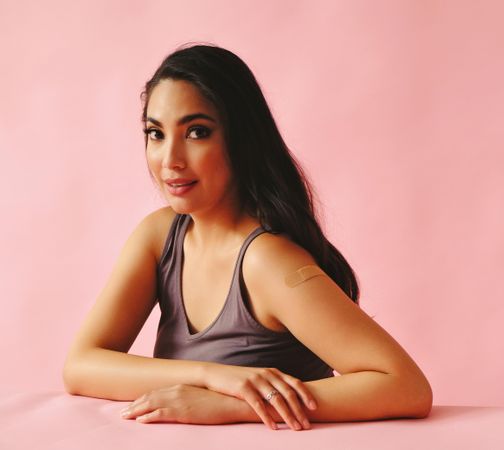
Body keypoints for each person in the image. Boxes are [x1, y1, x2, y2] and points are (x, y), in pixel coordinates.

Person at [62, 42, 433, 430]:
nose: (169, 159)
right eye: (155, 133)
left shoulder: (267, 261)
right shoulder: (159, 235)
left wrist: (237, 404)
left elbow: (406, 386)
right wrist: (213, 377)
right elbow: (81, 365)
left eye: (197, 132)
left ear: (241, 140)